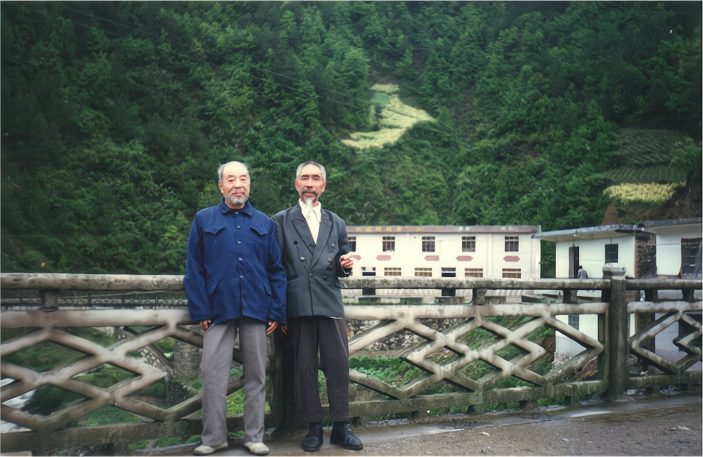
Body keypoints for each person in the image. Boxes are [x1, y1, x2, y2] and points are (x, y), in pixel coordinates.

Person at [184, 161, 287, 456]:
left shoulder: (265, 222)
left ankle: (254, 436)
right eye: (231, 180)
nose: (237, 184)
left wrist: (276, 310)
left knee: (257, 374)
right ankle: (214, 438)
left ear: (249, 185)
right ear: (221, 186)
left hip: (257, 306)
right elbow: (194, 268)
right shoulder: (204, 219)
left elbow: (276, 270)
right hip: (217, 307)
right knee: (212, 374)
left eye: (243, 179)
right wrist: (201, 309)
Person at [272, 161, 363, 452]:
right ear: (296, 184)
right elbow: (275, 269)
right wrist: (279, 311)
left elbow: (341, 265)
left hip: (330, 301)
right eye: (304, 178)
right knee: (305, 367)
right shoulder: (281, 220)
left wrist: (344, 265)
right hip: (298, 303)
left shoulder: (336, 222)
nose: (309, 183)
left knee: (338, 365)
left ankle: (341, 427)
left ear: (323, 185)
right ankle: (313, 427)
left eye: (315, 178)